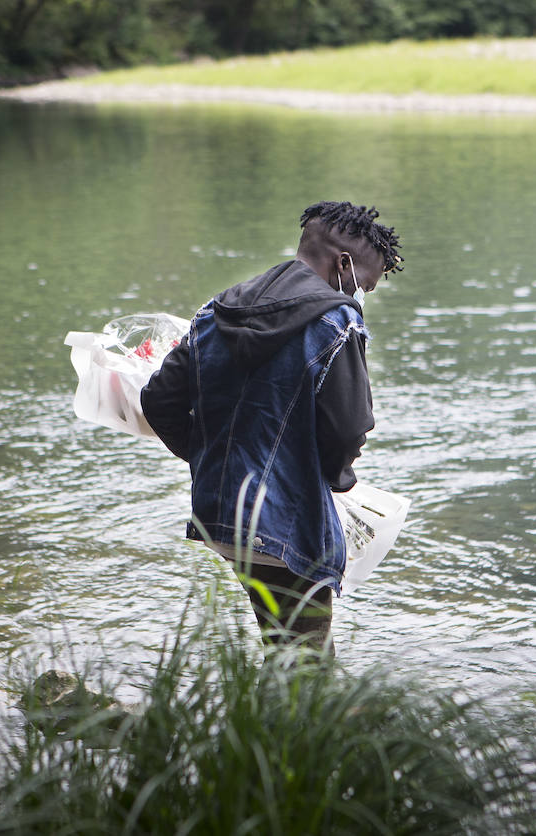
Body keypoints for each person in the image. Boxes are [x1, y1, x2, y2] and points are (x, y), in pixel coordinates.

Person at [140, 201, 402, 653]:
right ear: (343, 264)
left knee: (285, 644)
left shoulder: (218, 310)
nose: (362, 295)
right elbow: (349, 429)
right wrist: (338, 480)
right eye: (366, 284)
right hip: (284, 522)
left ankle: (269, 720)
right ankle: (287, 723)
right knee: (307, 661)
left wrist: (209, 455)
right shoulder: (338, 320)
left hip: (222, 516)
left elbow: (157, 400)